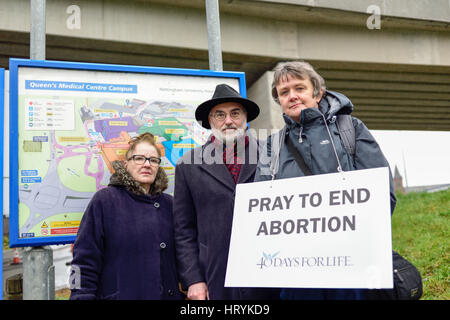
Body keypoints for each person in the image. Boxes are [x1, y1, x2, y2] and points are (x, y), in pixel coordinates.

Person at [254, 61, 397, 300]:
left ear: (318, 92)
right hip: (295, 271)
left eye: (299, 88)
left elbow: (382, 194)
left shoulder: (350, 129)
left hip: (352, 267)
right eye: (284, 92)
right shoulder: (273, 144)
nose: (292, 96)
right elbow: (261, 206)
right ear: (279, 100)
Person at [173, 84, 280, 300]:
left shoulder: (274, 154)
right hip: (215, 276)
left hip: (269, 270)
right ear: (210, 121)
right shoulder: (187, 165)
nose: (228, 121)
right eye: (219, 115)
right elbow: (184, 230)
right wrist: (193, 279)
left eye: (235, 113)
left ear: (245, 117)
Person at [70, 133, 184, 300]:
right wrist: (80, 296)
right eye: (139, 158)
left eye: (153, 160)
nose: (147, 164)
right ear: (126, 164)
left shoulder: (170, 205)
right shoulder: (105, 201)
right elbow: (83, 260)